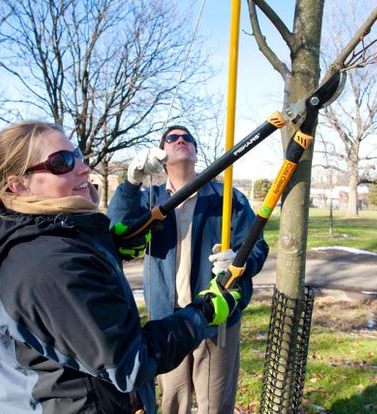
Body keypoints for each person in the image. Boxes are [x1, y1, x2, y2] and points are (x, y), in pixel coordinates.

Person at [0, 120, 241, 414]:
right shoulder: (49, 263)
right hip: (159, 332)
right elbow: (129, 361)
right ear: (18, 184)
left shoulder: (62, 238)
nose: (82, 168)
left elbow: (253, 248)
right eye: (62, 162)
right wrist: (204, 312)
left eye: (77, 155)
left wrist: (108, 247)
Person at [108, 125, 269, 414]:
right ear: (161, 154)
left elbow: (256, 246)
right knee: (172, 402)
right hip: (168, 322)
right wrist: (132, 183)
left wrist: (238, 262)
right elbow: (116, 230)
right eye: (172, 138)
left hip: (216, 312)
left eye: (187, 138)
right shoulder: (150, 200)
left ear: (195, 151)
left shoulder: (227, 197)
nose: (181, 140)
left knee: (216, 404)